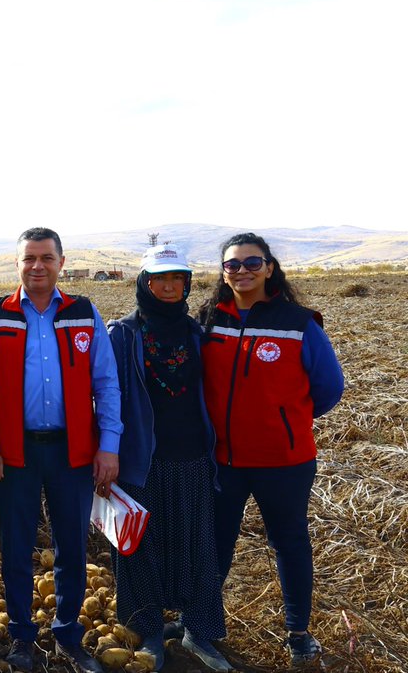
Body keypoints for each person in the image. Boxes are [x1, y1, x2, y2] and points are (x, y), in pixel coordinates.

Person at [0, 227, 122, 673]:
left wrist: (108, 446)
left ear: (61, 263)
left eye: (46, 258)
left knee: (71, 546)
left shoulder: (83, 313)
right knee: (16, 546)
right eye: (29, 258)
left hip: (72, 452)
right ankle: (21, 635)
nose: (38, 266)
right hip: (14, 453)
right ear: (17, 264)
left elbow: (106, 384)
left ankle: (69, 634)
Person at [198, 233, 344, 666]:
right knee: (215, 543)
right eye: (233, 264)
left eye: (252, 263)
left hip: (284, 461)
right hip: (223, 460)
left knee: (289, 542)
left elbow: (329, 388)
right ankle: (201, 624)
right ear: (223, 272)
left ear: (269, 268)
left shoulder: (299, 324)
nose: (242, 271)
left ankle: (298, 632)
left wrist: (284, 419)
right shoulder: (209, 319)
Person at [107, 244, 230, 672]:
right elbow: (105, 396)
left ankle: (197, 631)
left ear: (187, 284)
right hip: (141, 461)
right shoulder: (122, 334)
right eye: (159, 278)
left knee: (197, 547)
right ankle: (148, 633)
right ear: (144, 282)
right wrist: (106, 453)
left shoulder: (198, 332)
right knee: (140, 548)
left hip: (193, 456)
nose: (169, 285)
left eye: (178, 277)